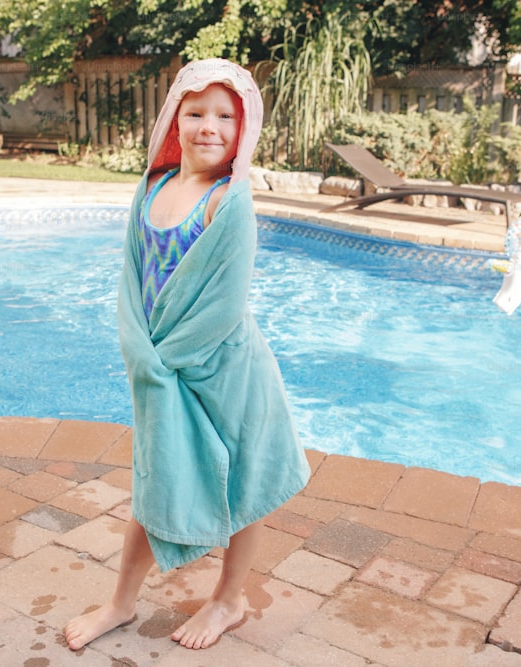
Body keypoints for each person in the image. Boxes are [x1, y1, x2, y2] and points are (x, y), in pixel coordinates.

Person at [64, 58, 311, 652]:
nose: (210, 126)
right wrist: (137, 351)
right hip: (160, 371)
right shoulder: (152, 188)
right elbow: (129, 279)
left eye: (226, 116)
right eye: (196, 112)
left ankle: (228, 599)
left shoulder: (231, 201)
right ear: (175, 119)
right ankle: (121, 602)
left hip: (224, 372)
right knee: (157, 484)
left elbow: (222, 305)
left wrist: (163, 360)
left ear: (243, 127)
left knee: (244, 483)